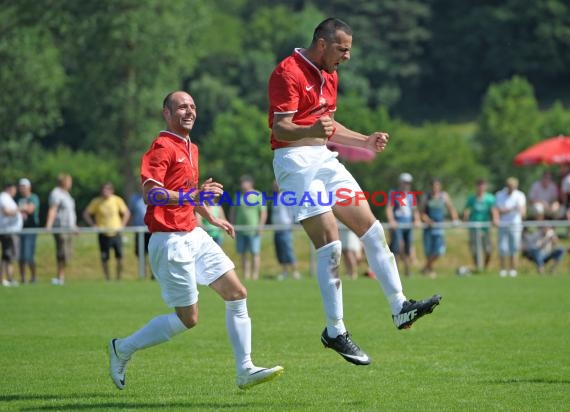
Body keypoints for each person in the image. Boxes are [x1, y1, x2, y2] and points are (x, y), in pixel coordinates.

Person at [268, 17, 441, 366]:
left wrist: (363, 141)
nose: (347, 57)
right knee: (331, 240)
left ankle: (400, 306)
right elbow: (280, 127)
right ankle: (335, 330)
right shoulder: (287, 72)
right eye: (342, 49)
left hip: (323, 158)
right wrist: (312, 128)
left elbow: (328, 128)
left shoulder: (330, 74)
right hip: (295, 162)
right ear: (322, 44)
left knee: (371, 228)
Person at [108, 91, 283, 391]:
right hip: (170, 240)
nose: (189, 112)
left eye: (192, 107)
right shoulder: (161, 147)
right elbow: (152, 193)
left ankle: (245, 370)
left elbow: (188, 193)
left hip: (194, 233)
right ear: (166, 113)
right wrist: (193, 196)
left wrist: (210, 215)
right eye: (181, 107)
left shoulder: (192, 147)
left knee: (237, 293)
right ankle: (122, 348)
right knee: (188, 319)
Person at [83, 183, 130, 281]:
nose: (105, 192)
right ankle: (107, 278)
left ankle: (119, 278)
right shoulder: (96, 202)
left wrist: (122, 225)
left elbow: (126, 213)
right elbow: (86, 213)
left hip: (116, 233)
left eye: (107, 190)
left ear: (111, 191)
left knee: (120, 257)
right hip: (103, 233)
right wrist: (93, 225)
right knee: (105, 258)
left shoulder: (117, 200)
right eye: (103, 190)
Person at [420, 179, 459, 278]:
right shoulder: (426, 197)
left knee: (439, 250)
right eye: (433, 186)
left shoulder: (444, 196)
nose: (435, 188)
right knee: (429, 250)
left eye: (437, 186)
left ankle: (426, 267)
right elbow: (422, 213)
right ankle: (430, 270)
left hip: (439, 227)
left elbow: (451, 208)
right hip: (428, 227)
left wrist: (455, 219)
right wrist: (428, 221)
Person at [230, 175, 267, 280]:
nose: (242, 185)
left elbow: (263, 212)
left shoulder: (258, 195)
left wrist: (261, 226)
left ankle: (255, 275)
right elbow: (233, 211)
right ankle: (246, 275)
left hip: (254, 230)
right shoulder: (238, 196)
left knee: (255, 253)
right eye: (241, 183)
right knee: (243, 254)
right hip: (240, 230)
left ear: (250, 183)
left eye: (244, 182)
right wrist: (232, 225)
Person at [386, 173, 422, 277]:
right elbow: (389, 208)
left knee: (408, 248)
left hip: (408, 224)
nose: (407, 185)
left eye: (408, 183)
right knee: (396, 248)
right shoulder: (394, 194)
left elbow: (415, 210)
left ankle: (407, 271)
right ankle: (394, 272)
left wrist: (417, 220)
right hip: (398, 223)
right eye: (405, 183)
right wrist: (391, 220)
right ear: (400, 183)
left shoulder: (411, 196)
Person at [46, 173, 77, 285]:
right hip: (61, 227)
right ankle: (60, 277)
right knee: (62, 253)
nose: (70, 183)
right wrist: (49, 225)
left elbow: (70, 213)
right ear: (63, 182)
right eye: (69, 181)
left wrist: (74, 226)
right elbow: (53, 209)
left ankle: (61, 276)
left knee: (67, 254)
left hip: (69, 228)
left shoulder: (67, 194)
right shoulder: (56, 193)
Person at [493, 177, 526, 278]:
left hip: (515, 224)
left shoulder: (520, 195)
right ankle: (503, 269)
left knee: (514, 248)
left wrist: (518, 210)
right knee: (502, 247)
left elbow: (523, 212)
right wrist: (499, 215)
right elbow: (497, 209)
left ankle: (513, 269)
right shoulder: (500, 194)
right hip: (503, 224)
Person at [463, 179, 496, 271]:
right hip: (474, 227)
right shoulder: (471, 199)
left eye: (482, 185)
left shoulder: (490, 198)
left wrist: (495, 219)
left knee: (488, 249)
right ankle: (478, 267)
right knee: (474, 249)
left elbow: (493, 210)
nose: (481, 188)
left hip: (485, 227)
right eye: (479, 185)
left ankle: (485, 268)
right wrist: (465, 219)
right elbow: (467, 209)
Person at [271, 181, 301, 280]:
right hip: (277, 228)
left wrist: (293, 223)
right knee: (280, 251)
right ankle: (284, 272)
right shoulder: (275, 198)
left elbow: (291, 211)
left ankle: (295, 271)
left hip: (286, 228)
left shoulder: (286, 197)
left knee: (288, 250)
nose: (275, 187)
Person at [16, 178, 40, 283]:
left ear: (29, 187)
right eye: (20, 187)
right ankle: (23, 278)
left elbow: (31, 209)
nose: (22, 189)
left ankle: (34, 276)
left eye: (24, 186)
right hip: (19, 229)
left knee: (29, 254)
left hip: (31, 228)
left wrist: (18, 209)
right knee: (20, 255)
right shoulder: (18, 199)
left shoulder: (33, 197)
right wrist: (22, 208)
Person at [0, 183, 23, 287]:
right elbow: (6, 212)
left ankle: (9, 278)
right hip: (7, 231)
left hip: (10, 230)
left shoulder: (8, 198)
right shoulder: (4, 197)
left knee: (9, 256)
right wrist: (20, 210)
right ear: (9, 188)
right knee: (7, 255)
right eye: (14, 189)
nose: (15, 191)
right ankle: (3, 278)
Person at [128, 190, 152, 278]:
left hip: (151, 230)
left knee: (152, 253)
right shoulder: (134, 198)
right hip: (139, 230)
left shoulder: (154, 196)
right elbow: (130, 212)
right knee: (140, 254)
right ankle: (143, 274)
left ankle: (153, 274)